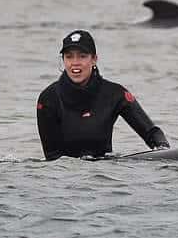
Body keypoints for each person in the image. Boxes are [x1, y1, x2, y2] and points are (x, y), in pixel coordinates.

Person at [37, 30, 170, 160]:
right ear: (63, 60)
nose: (75, 62)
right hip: (64, 177)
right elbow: (52, 158)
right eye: (69, 56)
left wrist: (164, 150)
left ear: (94, 59)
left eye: (82, 56)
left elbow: (152, 133)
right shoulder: (48, 99)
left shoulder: (115, 93)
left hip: (105, 176)